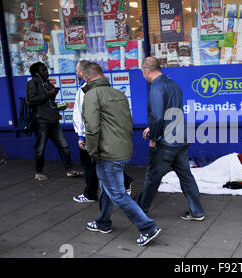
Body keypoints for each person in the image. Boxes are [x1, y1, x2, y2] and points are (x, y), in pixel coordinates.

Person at [82, 62, 161, 246]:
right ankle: (103, 222)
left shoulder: (92, 95)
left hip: (108, 153)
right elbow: (127, 123)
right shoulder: (118, 94)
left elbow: (92, 129)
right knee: (107, 189)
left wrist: (91, 151)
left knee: (117, 194)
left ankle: (148, 228)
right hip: (123, 150)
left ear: (86, 78)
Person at [137, 57, 205, 221]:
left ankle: (139, 210)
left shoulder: (156, 87)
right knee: (186, 176)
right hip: (180, 139)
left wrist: (153, 136)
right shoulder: (174, 85)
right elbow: (172, 112)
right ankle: (197, 211)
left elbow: (159, 116)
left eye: (142, 72)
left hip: (166, 142)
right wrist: (152, 127)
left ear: (147, 70)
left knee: (152, 177)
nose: (143, 75)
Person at [72, 60, 136, 203]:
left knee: (95, 169)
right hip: (117, 142)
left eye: (77, 71)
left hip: (95, 140)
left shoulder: (87, 92)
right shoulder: (115, 93)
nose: (76, 73)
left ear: (84, 74)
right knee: (107, 178)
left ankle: (91, 194)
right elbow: (126, 120)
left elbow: (87, 120)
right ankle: (103, 218)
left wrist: (84, 140)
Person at [25, 62, 82, 180]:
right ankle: (39, 172)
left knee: (64, 146)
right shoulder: (32, 83)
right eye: (43, 70)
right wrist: (47, 94)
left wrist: (58, 107)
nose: (47, 72)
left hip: (53, 119)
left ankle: (69, 170)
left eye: (46, 69)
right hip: (41, 121)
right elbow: (30, 101)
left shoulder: (47, 83)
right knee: (40, 148)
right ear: (36, 73)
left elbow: (48, 103)